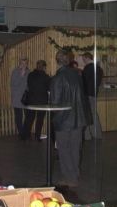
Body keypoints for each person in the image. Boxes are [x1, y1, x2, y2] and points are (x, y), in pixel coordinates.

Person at [49, 50, 91, 192]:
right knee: (75, 148)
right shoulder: (77, 74)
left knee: (64, 150)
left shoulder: (57, 78)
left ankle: (70, 178)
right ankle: (75, 174)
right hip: (79, 117)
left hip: (64, 119)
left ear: (57, 61)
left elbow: (55, 102)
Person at [22, 60, 50, 141]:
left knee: (29, 118)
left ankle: (25, 135)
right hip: (42, 101)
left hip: (31, 100)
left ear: (37, 66)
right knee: (40, 120)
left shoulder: (30, 75)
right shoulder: (45, 77)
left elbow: (29, 85)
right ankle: (37, 136)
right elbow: (49, 88)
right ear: (44, 67)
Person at [81, 51, 103, 140]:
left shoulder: (86, 69)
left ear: (87, 58)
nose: (83, 61)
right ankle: (97, 134)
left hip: (87, 94)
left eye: (83, 59)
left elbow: (83, 82)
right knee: (94, 113)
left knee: (87, 114)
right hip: (94, 93)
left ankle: (87, 136)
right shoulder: (99, 68)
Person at [10, 56, 29, 139]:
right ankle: (21, 133)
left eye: (25, 63)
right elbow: (13, 84)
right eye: (22, 63)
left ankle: (25, 131)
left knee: (28, 116)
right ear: (19, 63)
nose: (23, 65)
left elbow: (29, 84)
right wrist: (21, 75)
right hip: (17, 97)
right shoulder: (15, 71)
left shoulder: (29, 72)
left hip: (26, 98)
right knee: (19, 116)